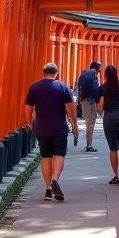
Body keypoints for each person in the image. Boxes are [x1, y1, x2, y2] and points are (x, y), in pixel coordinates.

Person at [24, 62, 77, 201]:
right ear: (56, 73)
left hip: (42, 128)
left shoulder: (34, 87)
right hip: (59, 127)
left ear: (43, 72)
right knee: (59, 154)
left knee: (45, 157)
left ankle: (48, 188)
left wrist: (29, 122)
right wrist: (74, 124)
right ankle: (55, 179)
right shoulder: (62, 86)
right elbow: (71, 107)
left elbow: (28, 107)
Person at [75, 60, 102, 152]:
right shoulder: (93, 75)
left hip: (85, 101)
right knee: (90, 124)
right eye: (99, 69)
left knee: (89, 123)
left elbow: (79, 87)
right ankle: (89, 145)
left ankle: (89, 143)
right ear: (96, 68)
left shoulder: (84, 74)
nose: (99, 71)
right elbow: (94, 89)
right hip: (90, 101)